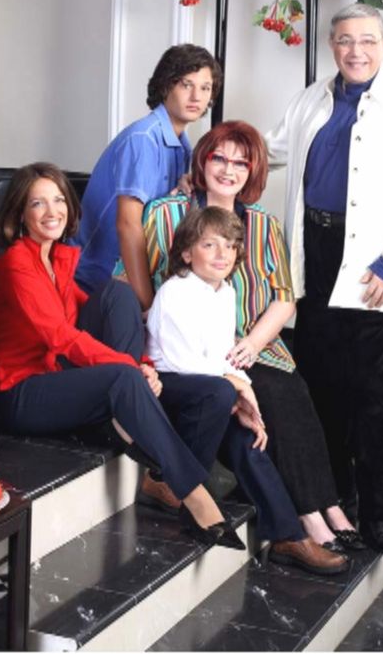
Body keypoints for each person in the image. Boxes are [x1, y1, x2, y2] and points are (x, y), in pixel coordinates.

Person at [116, 121, 365, 554]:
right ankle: (307, 517)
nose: (229, 170)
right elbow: (129, 278)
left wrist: (252, 344)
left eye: (241, 163)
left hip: (253, 345)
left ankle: (327, 507)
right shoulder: (166, 212)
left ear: (253, 171)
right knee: (268, 402)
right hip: (192, 350)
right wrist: (145, 336)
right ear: (202, 161)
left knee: (293, 391)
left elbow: (285, 297)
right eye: (219, 158)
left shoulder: (264, 225)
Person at [0, 162, 249, 550]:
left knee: (118, 293)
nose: (52, 211)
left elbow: (86, 310)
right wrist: (131, 368)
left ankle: (126, 412)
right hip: (16, 393)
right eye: (38, 203)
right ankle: (196, 494)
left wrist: (143, 364)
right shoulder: (17, 264)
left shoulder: (55, 258)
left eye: (59, 200)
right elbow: (61, 337)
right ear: (21, 213)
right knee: (123, 375)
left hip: (54, 374)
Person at [265, 3, 383, 556]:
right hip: (312, 253)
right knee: (319, 385)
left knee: (371, 395)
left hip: (371, 263)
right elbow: (268, 151)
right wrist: (213, 161)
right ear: (332, 46)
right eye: (344, 41)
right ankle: (331, 499)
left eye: (366, 40)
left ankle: (378, 516)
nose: (355, 51)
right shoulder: (310, 99)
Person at [145, 206, 348, 575]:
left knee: (249, 440)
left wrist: (245, 395)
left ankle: (288, 536)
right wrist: (239, 387)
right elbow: (182, 361)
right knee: (221, 394)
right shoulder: (176, 292)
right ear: (187, 253)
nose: (222, 254)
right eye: (209, 245)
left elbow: (221, 357)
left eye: (229, 246)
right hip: (171, 388)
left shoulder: (225, 292)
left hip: (208, 390)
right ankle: (185, 490)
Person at [75, 44, 222, 296]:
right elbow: (127, 225)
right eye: (186, 85)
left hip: (135, 275)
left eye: (205, 88)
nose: (197, 97)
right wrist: (147, 302)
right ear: (166, 86)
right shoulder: (144, 139)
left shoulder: (182, 145)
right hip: (98, 281)